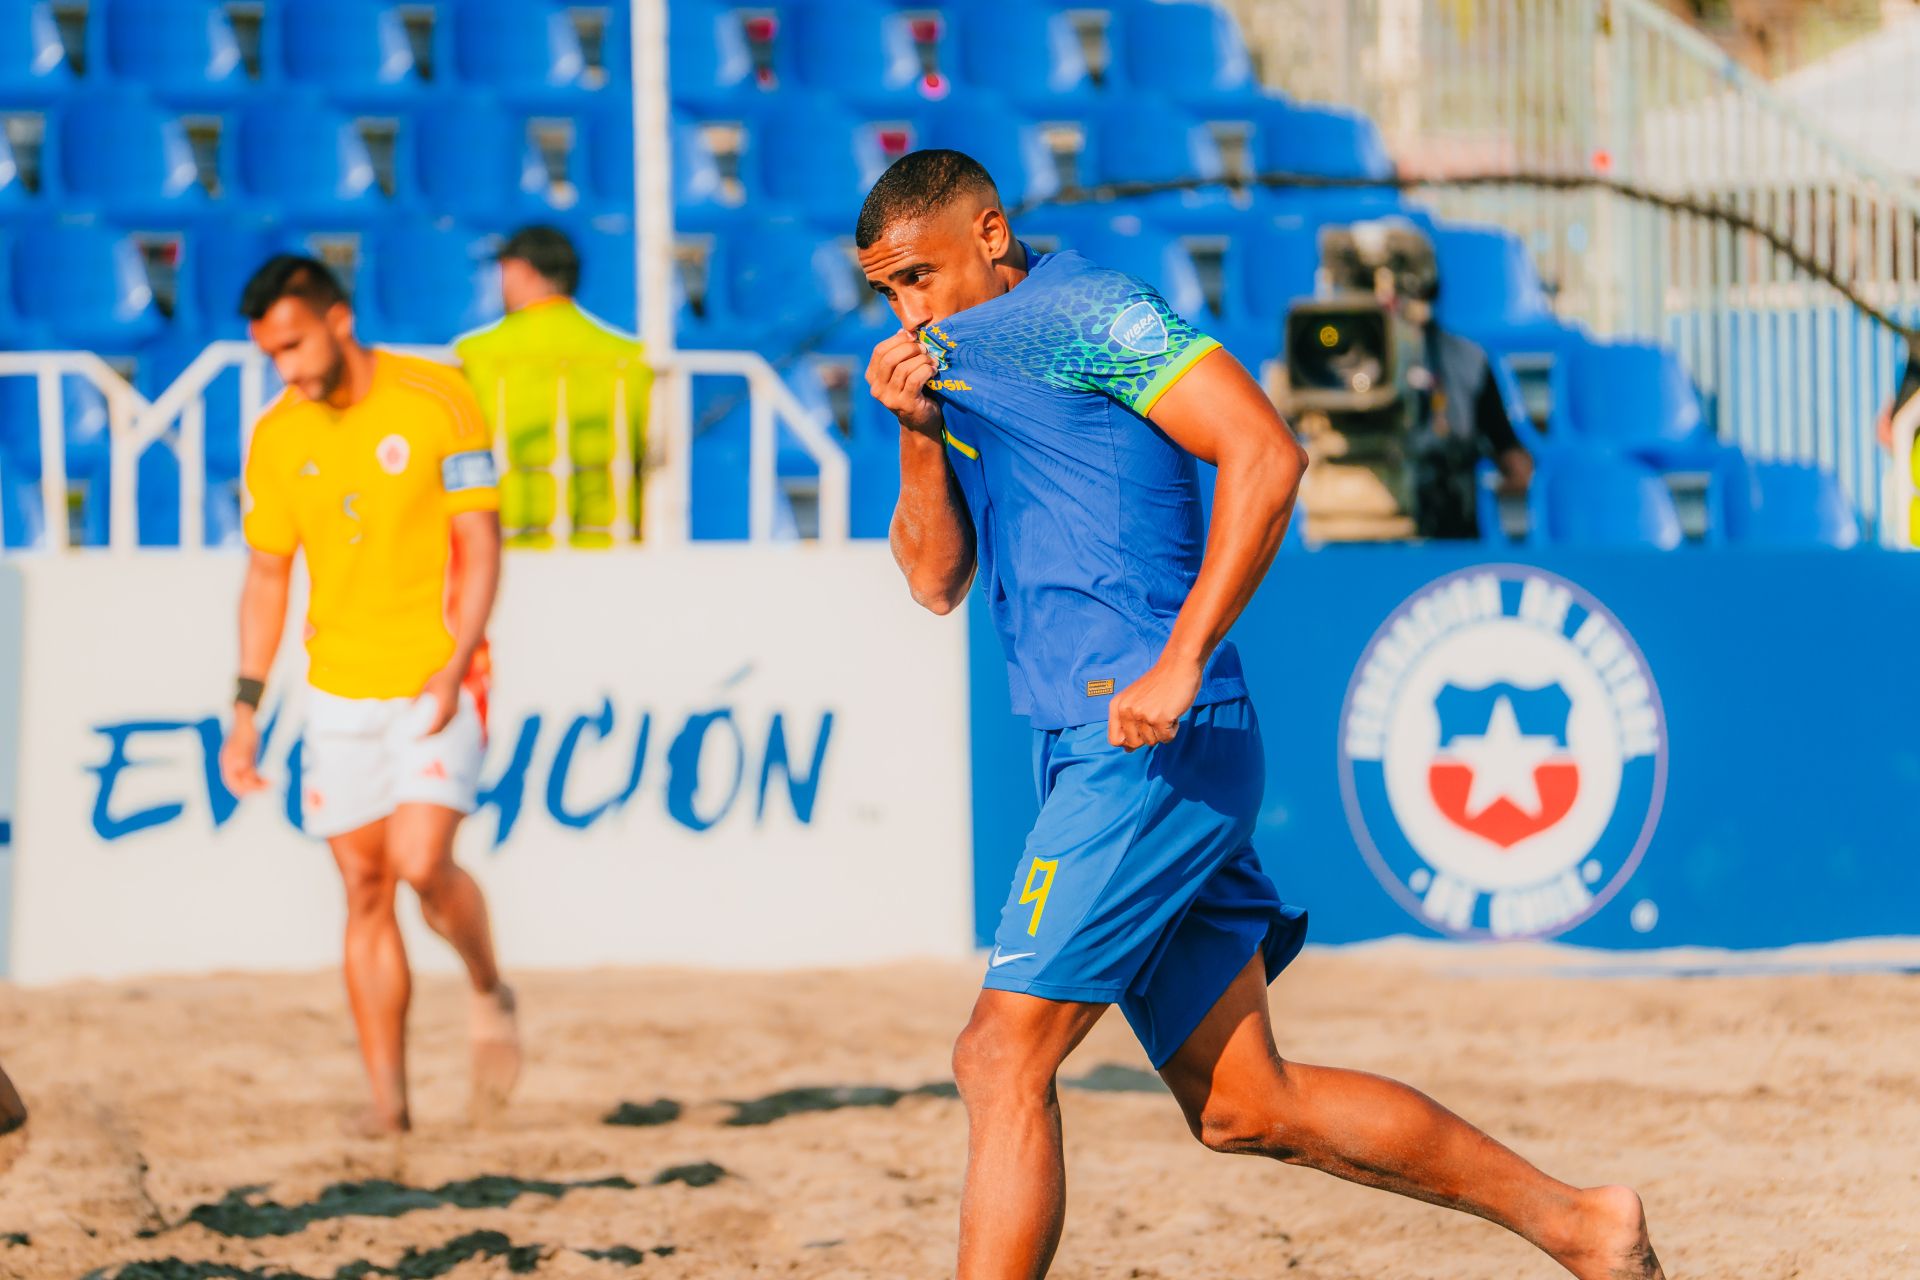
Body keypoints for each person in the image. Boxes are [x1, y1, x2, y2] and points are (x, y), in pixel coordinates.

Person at [856, 150, 1662, 1280]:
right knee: (1244, 1103)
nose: (907, 308)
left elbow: (1267, 452)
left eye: (920, 276)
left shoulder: (1085, 309)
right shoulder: (943, 363)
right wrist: (917, 425)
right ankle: (1586, 1222)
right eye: (886, 289)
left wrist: (1181, 657)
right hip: (1093, 745)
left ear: (991, 232)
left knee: (999, 1056)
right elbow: (934, 579)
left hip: (1148, 742)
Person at [220, 256, 519, 1136]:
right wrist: (244, 707)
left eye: (294, 343)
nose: (287, 367)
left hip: (440, 671)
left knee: (424, 864)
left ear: (338, 318)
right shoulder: (277, 436)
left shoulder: (438, 397)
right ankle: (388, 1104)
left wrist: (457, 655)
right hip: (337, 691)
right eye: (270, 354)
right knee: (362, 888)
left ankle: (486, 984)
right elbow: (267, 580)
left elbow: (482, 538)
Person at [455, 225, 651, 548]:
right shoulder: (632, 357)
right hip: (610, 542)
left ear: (520, 271)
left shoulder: (472, 355)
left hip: (510, 541)